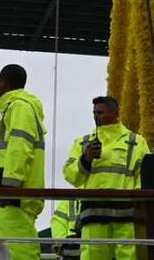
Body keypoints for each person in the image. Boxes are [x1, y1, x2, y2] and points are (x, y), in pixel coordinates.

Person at [63, 96, 149, 260]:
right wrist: (85, 159)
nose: (96, 116)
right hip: (94, 215)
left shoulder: (137, 142)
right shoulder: (82, 143)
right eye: (94, 113)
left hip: (126, 216)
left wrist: (139, 208)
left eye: (100, 112)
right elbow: (71, 176)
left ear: (116, 113)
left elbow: (142, 177)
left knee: (130, 257)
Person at [0, 64, 46, 260]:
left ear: (5, 82)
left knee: (17, 248)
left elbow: (20, 147)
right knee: (10, 246)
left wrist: (9, 187)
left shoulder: (19, 106)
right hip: (9, 191)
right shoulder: (14, 108)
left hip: (12, 193)